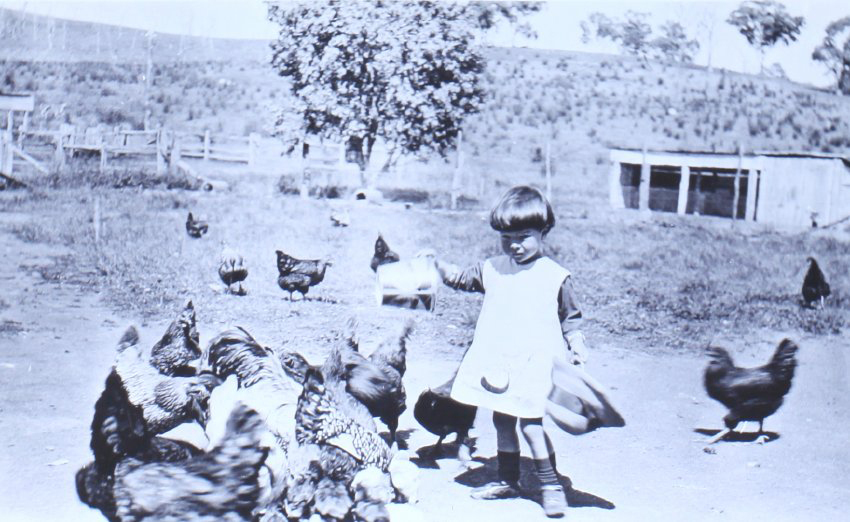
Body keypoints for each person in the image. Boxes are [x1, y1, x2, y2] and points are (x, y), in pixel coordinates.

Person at [435, 185, 589, 518]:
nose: (514, 245)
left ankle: (551, 486)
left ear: (543, 232)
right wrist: (440, 267)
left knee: (531, 424)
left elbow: (571, 317)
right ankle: (508, 480)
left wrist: (576, 343)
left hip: (535, 363)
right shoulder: (492, 268)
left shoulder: (555, 276)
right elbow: (462, 279)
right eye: (507, 238)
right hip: (500, 362)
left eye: (524, 236)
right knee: (502, 420)